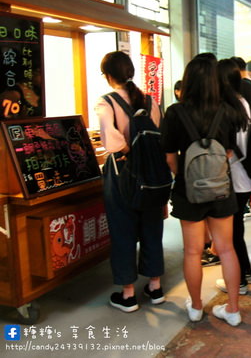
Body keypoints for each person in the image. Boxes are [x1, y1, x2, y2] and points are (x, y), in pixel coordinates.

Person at [160, 56, 246, 326]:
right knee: (227, 249)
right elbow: (229, 153)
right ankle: (232, 310)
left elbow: (171, 160)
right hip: (222, 189)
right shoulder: (229, 111)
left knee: (193, 252)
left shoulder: (175, 112)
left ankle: (196, 307)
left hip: (189, 192)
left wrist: (190, 178)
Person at [95, 51, 165, 313]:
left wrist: (129, 154)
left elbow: (111, 141)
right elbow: (159, 135)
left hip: (122, 173)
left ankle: (128, 294)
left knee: (123, 230)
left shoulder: (106, 102)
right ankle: (155, 287)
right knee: (151, 226)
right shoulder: (149, 101)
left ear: (109, 76)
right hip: (153, 174)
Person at [215, 58, 251, 295]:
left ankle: (238, 280)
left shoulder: (227, 106)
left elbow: (229, 147)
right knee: (237, 227)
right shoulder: (242, 102)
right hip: (245, 175)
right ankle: (246, 272)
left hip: (234, 176)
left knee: (233, 231)